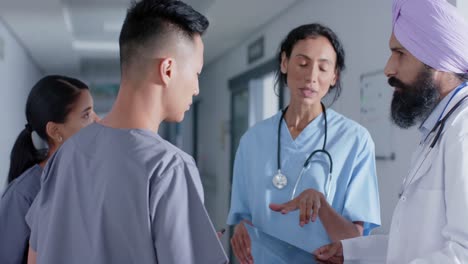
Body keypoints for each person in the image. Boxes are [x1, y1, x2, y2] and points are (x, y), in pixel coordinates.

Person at [25, 1, 228, 264]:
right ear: (168, 70)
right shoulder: (168, 167)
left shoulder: (65, 154)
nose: (197, 88)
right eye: (196, 73)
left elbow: (35, 256)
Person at [314, 0, 468, 263]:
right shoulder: (436, 131)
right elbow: (413, 242)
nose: (388, 68)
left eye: (400, 54)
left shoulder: (463, 129)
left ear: (437, 59)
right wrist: (352, 251)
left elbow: (462, 253)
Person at [227, 23, 381, 263]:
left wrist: (322, 205)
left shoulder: (355, 140)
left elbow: (355, 241)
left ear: (334, 76)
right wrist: (240, 229)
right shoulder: (252, 140)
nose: (311, 77)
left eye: (323, 68)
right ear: (284, 63)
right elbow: (245, 217)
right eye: (302, 63)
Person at [0, 75, 99, 264]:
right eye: (86, 115)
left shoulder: (90, 180)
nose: (97, 121)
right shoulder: (22, 194)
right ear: (55, 131)